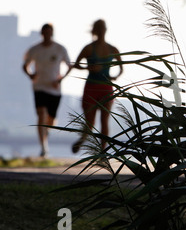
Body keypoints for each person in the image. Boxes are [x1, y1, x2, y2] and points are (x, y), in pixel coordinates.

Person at [71, 19, 123, 153]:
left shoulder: (113, 49)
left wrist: (115, 76)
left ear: (105, 30)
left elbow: (121, 67)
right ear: (94, 30)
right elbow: (76, 64)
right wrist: (88, 68)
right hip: (91, 87)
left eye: (102, 28)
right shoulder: (89, 48)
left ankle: (102, 151)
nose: (100, 31)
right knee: (90, 122)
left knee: (104, 120)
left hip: (106, 87)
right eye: (98, 28)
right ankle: (82, 140)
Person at [23, 23, 71, 157]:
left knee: (50, 119)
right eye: (45, 33)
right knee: (41, 114)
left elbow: (69, 65)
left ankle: (46, 133)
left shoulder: (60, 49)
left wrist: (60, 79)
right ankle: (44, 148)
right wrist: (30, 74)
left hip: (54, 89)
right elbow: (25, 65)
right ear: (42, 34)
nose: (47, 36)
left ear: (52, 33)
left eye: (49, 33)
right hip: (39, 87)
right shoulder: (34, 49)